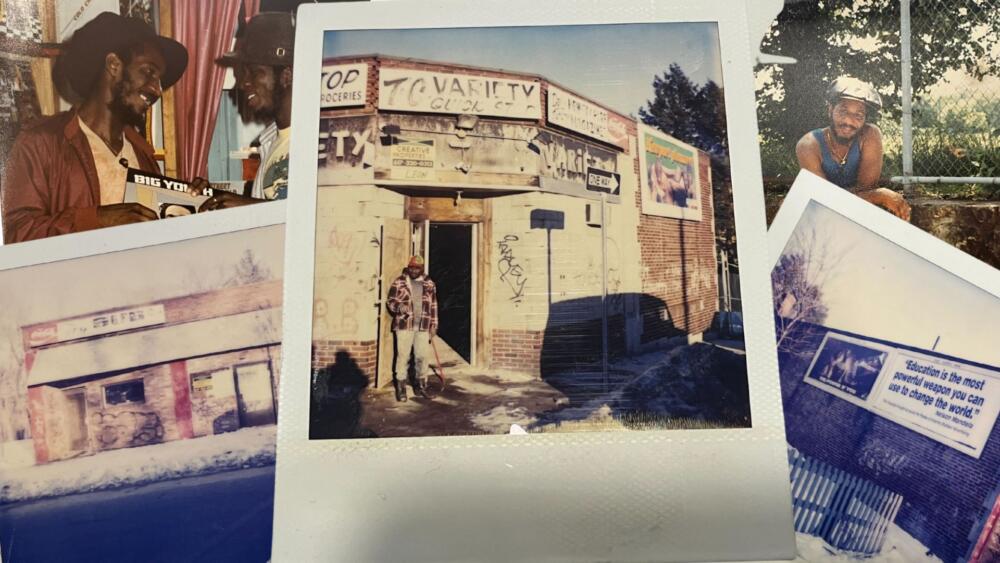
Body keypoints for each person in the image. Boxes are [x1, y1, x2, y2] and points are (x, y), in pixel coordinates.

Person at [1, 12, 188, 243]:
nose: (156, 90)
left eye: (159, 80)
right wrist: (97, 219)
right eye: (149, 72)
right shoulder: (41, 142)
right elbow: (18, 234)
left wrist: (194, 203)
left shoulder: (144, 155)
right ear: (113, 65)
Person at [194, 12, 295, 211]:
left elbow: (314, 216)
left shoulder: (319, 140)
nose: (243, 83)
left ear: (287, 76)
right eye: (243, 73)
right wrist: (215, 197)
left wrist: (246, 209)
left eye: (256, 72)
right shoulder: (271, 140)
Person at [795, 76, 911, 220]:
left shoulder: (870, 135)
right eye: (843, 112)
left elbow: (866, 190)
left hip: (859, 215)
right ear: (830, 110)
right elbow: (823, 200)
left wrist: (872, 195)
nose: (849, 121)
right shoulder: (809, 145)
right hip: (820, 218)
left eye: (859, 115)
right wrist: (877, 195)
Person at [386, 256, 439, 402]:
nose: (414, 270)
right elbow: (390, 301)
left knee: (422, 356)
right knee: (403, 357)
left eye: (417, 268)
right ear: (408, 267)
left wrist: (434, 324)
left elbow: (434, 305)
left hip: (423, 326)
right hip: (404, 325)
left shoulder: (429, 283)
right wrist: (398, 307)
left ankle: (421, 386)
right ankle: (401, 388)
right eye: (411, 267)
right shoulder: (400, 281)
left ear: (422, 269)